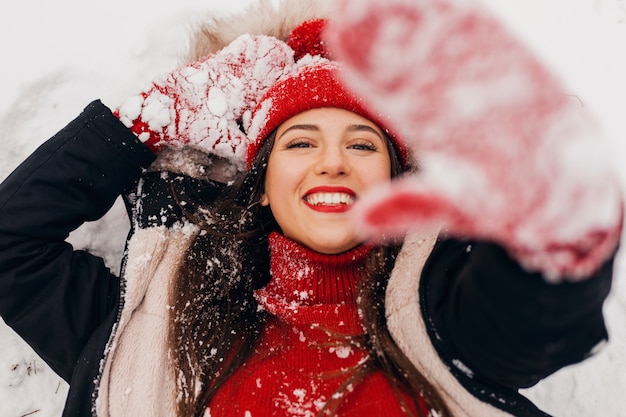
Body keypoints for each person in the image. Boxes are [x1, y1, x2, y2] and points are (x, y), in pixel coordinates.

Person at [0, 1, 622, 417]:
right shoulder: (151, 314)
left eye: (361, 144)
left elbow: (539, 300)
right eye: (300, 143)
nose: (333, 162)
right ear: (263, 185)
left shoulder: (448, 313)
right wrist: (143, 120)